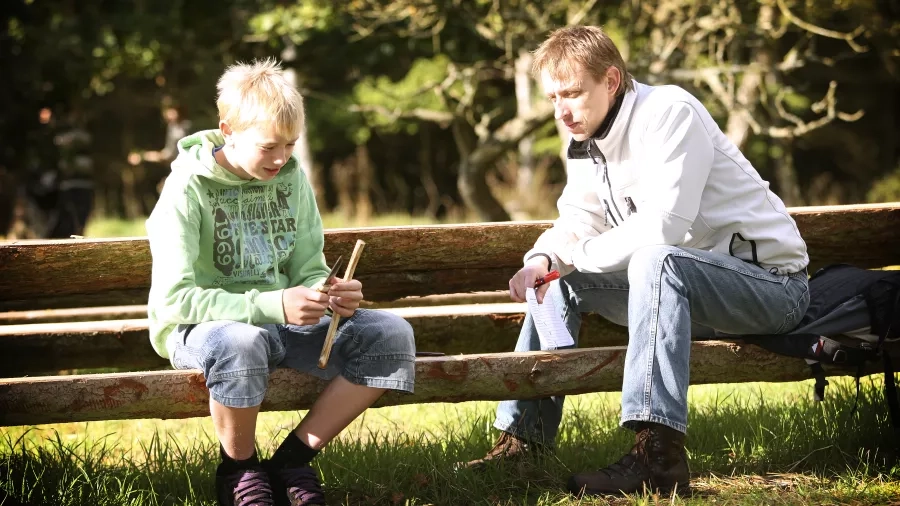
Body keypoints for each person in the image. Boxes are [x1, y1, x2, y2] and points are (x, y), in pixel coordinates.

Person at [461, 26, 810, 497]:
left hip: (771, 291)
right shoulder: (588, 136)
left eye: (572, 94)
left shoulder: (670, 112)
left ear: (610, 80)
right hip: (686, 295)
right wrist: (544, 258)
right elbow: (579, 217)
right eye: (552, 98)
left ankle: (657, 457)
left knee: (656, 260)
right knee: (556, 281)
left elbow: (664, 226)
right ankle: (523, 443)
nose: (562, 111)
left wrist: (575, 258)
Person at [146, 58, 416, 506]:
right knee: (242, 341)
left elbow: (307, 266)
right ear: (228, 129)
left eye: (291, 144)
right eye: (269, 146)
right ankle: (239, 470)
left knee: (390, 335)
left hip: (280, 325)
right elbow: (177, 300)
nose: (281, 158)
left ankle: (291, 463)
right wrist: (275, 304)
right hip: (203, 331)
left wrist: (327, 292)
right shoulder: (185, 191)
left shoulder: (291, 179)